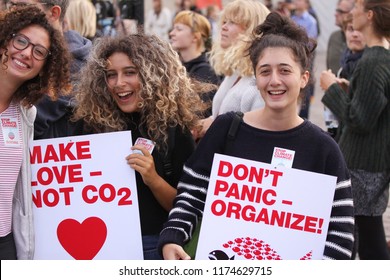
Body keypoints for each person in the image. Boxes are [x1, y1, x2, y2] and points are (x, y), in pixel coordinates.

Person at [158, 11, 354, 260]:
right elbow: (193, 191)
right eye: (264, 71)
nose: (274, 81)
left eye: (284, 70)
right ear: (255, 77)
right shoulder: (227, 128)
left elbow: (340, 232)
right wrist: (173, 236)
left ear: (304, 78)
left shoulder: (323, 149)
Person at [71, 31, 213, 259]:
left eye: (130, 72)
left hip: (153, 245)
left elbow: (185, 207)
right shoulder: (90, 123)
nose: (119, 83)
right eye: (111, 75)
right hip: (102, 244)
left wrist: (153, 178)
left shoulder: (174, 126)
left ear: (151, 75)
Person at [0, 5, 71, 260]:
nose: (26, 53)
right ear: (5, 39)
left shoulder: (25, 114)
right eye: (21, 41)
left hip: (5, 244)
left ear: (44, 67)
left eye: (38, 51)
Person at [321, 0, 390, 260]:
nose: (353, 13)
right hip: (371, 164)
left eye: (357, 8)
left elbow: (360, 120)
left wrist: (332, 89)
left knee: (361, 238)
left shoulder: (373, 60)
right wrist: (351, 92)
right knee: (363, 235)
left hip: (364, 166)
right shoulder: (379, 57)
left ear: (369, 15)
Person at [7, 0, 92, 140]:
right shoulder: (11, 49)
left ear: (54, 13)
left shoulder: (76, 67)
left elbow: (23, 128)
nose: (13, 13)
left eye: (23, 7)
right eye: (10, 6)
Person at [198, 0, 269, 140]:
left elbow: (256, 135)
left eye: (233, 22)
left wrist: (213, 126)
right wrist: (209, 121)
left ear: (253, 30)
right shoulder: (236, 72)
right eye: (224, 21)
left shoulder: (259, 81)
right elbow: (222, 115)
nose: (224, 27)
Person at [321, 13, 366, 140]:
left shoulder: (369, 65)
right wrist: (332, 133)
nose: (355, 34)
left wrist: (334, 90)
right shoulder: (344, 67)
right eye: (350, 29)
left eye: (360, 30)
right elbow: (331, 115)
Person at [170, 10, 220, 117]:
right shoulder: (176, 66)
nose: (172, 33)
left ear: (195, 37)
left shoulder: (206, 71)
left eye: (179, 29)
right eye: (173, 28)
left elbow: (199, 112)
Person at [291, 0, 318, 120]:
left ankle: (303, 119)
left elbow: (310, 45)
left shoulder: (311, 21)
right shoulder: (291, 18)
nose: (296, 2)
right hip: (291, 60)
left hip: (304, 60)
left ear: (307, 3)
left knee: (304, 90)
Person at [326, 0, 355, 75]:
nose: (335, 14)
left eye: (340, 11)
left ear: (352, 13)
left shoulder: (358, 39)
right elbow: (328, 67)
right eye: (336, 10)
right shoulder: (334, 37)